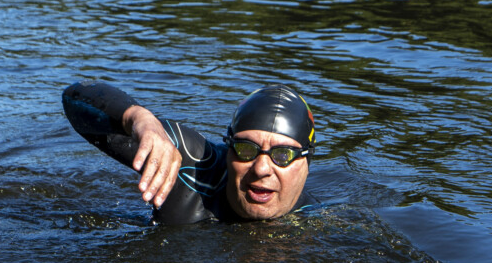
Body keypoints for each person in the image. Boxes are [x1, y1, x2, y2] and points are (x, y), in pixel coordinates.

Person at [62, 81, 317, 224]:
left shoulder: (318, 222)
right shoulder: (194, 162)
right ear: (228, 149)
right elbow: (74, 97)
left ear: (306, 162)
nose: (261, 169)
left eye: (282, 155)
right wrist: (141, 120)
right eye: (245, 149)